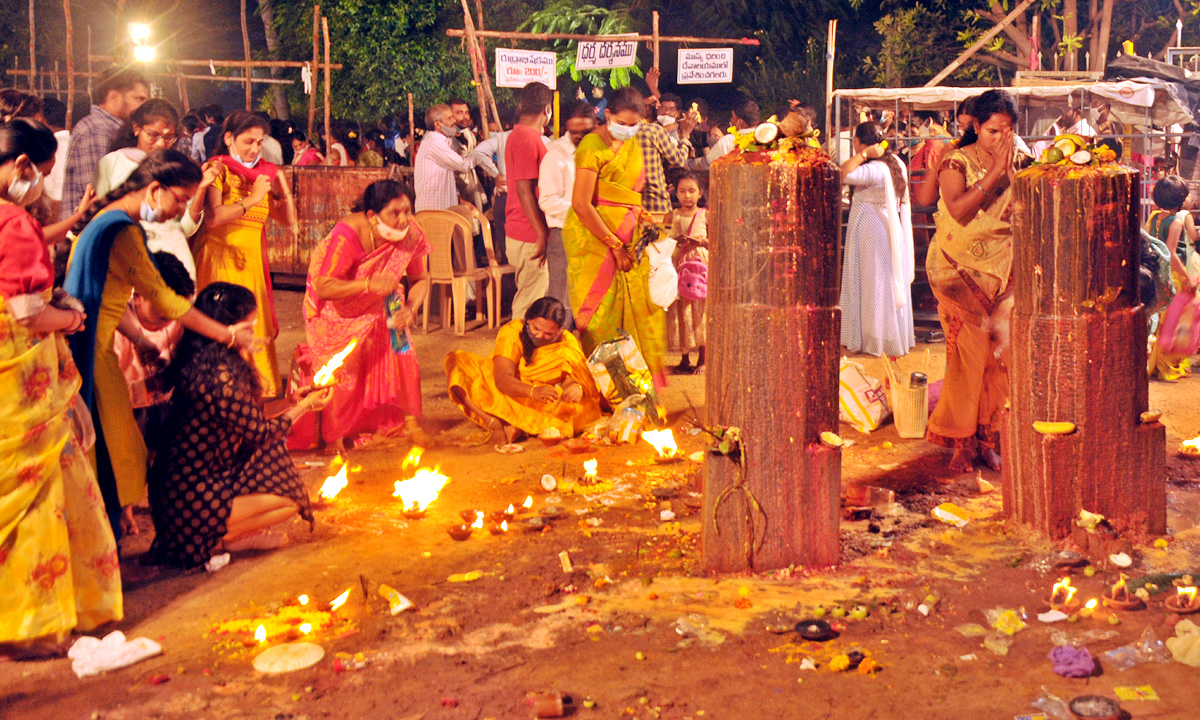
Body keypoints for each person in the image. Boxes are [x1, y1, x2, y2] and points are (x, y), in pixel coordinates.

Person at [65, 149, 265, 538]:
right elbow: (165, 299)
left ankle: (110, 530)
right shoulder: (121, 230)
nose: (181, 210)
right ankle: (106, 543)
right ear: (155, 189)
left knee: (115, 448)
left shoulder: (104, 224)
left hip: (92, 346)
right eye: (180, 199)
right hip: (95, 355)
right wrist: (227, 334)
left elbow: (105, 298)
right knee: (117, 452)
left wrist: (139, 339)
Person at [0, 119, 122, 658]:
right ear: (23, 166)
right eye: (44, 176)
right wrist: (71, 320)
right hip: (22, 385)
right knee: (41, 493)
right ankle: (33, 623)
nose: (44, 189)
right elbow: (27, 312)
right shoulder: (13, 223)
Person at [147, 282, 331, 569]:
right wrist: (305, 407)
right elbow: (260, 432)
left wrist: (290, 401)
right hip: (187, 500)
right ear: (228, 329)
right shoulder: (219, 375)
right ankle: (221, 538)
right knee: (291, 498)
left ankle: (223, 533)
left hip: (181, 490)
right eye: (248, 327)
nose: (253, 334)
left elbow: (249, 415)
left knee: (271, 458)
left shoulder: (205, 360)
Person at [926, 89, 1024, 473]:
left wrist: (1013, 172)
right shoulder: (956, 161)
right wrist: (997, 172)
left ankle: (988, 439)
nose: (1001, 138)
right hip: (955, 271)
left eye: (1008, 130)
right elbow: (958, 211)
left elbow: (1024, 209)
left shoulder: (1021, 160)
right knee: (967, 357)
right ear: (977, 127)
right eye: (993, 130)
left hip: (1003, 272)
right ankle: (960, 443)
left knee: (997, 358)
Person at [303, 180, 433, 448]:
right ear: (373, 216)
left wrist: (410, 309)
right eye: (394, 213)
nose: (403, 220)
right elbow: (325, 286)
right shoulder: (349, 233)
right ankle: (335, 438)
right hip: (340, 307)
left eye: (407, 210)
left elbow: (420, 278)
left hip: (386, 302)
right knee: (343, 371)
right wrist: (368, 285)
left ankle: (409, 423)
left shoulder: (412, 233)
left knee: (402, 351)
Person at [563, 86, 667, 384]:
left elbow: (631, 196)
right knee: (599, 316)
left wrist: (642, 224)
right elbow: (582, 204)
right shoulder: (591, 146)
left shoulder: (636, 144)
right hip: (594, 242)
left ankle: (634, 388)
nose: (629, 130)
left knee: (637, 311)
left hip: (630, 239)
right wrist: (614, 245)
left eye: (635, 125)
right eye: (622, 123)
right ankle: (598, 388)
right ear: (606, 115)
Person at [194, 110, 298, 397]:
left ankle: (255, 391)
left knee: (252, 324)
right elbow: (214, 218)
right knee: (223, 324)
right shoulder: (218, 168)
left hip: (251, 264)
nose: (254, 149)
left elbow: (288, 221)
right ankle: (219, 390)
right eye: (247, 142)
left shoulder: (265, 174)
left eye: (259, 143)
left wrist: (284, 190)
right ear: (229, 138)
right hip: (221, 261)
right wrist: (253, 198)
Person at [446, 297, 604, 446]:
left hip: (543, 400)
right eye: (536, 328)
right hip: (509, 391)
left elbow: (573, 376)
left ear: (558, 330)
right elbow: (502, 379)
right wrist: (532, 391)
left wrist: (575, 388)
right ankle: (495, 423)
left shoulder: (566, 340)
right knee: (459, 364)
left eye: (548, 334)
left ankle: (517, 426)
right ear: (528, 319)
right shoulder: (512, 331)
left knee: (587, 409)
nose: (540, 336)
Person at [838, 122, 916, 358]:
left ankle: (874, 338)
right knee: (882, 283)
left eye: (855, 141)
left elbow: (841, 174)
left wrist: (862, 155)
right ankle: (882, 335)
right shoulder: (896, 164)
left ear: (861, 142)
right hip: (887, 232)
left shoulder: (874, 169)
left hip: (871, 232)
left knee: (873, 284)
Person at [112, 251, 195, 461]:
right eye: (162, 314)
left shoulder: (175, 324)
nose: (168, 321)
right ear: (138, 296)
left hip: (163, 406)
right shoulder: (119, 331)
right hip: (126, 414)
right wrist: (148, 387)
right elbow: (108, 395)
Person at [59, 67, 149, 221]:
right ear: (113, 97)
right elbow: (94, 193)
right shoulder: (97, 129)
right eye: (139, 99)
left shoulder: (114, 129)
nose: (145, 107)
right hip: (89, 227)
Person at [539, 103, 597, 330]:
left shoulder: (600, 151)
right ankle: (555, 355)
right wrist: (584, 211)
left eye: (586, 132)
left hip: (595, 236)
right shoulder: (556, 155)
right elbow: (548, 201)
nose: (579, 137)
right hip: (565, 235)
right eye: (574, 133)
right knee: (561, 303)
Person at [504, 82, 555, 320]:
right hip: (528, 232)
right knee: (529, 305)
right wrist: (541, 234)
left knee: (533, 299)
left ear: (522, 105)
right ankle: (517, 353)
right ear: (547, 110)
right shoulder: (526, 138)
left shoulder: (523, 135)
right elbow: (524, 190)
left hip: (526, 230)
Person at [1145, 175, 1199, 380]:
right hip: (1173, 276)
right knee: (1173, 322)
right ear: (1179, 200)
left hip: (1156, 273)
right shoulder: (1176, 222)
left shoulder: (1153, 217)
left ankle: (1156, 365)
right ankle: (1166, 367)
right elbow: (1171, 252)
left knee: (1159, 320)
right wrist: (1187, 278)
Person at [93, 99, 180, 197]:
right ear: (136, 128)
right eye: (153, 135)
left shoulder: (177, 169)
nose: (161, 144)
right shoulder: (112, 163)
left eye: (168, 138)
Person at [666, 173, 709, 373]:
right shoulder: (674, 215)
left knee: (700, 309)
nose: (687, 196)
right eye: (682, 191)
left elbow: (715, 241)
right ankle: (684, 359)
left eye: (692, 191)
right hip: (679, 264)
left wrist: (698, 242)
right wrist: (677, 240)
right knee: (682, 310)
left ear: (700, 193)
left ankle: (703, 359)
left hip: (699, 264)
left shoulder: (705, 214)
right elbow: (668, 239)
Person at [637, 95, 696, 222]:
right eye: (662, 108)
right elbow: (679, 160)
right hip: (655, 203)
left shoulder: (617, 133)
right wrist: (685, 137)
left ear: (678, 113)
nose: (666, 113)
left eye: (670, 110)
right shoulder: (654, 130)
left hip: (633, 205)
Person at [414, 104, 478, 213]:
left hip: (441, 209)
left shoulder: (441, 141)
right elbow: (463, 165)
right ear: (437, 124)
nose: (454, 121)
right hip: (433, 211)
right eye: (449, 118)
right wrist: (484, 151)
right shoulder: (434, 142)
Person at [692, 98, 758, 171]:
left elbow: (705, 164)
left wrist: (686, 163)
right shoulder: (766, 140)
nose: (731, 120)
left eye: (733, 117)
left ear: (740, 122)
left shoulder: (729, 141)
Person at [449, 98, 486, 210]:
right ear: (449, 115)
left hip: (470, 184)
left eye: (466, 112)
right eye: (459, 113)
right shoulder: (445, 137)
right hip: (453, 187)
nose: (465, 117)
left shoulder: (468, 133)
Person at [41, 98, 70, 216]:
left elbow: (49, 193)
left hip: (55, 215)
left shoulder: (47, 149)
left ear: (40, 120)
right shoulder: (75, 142)